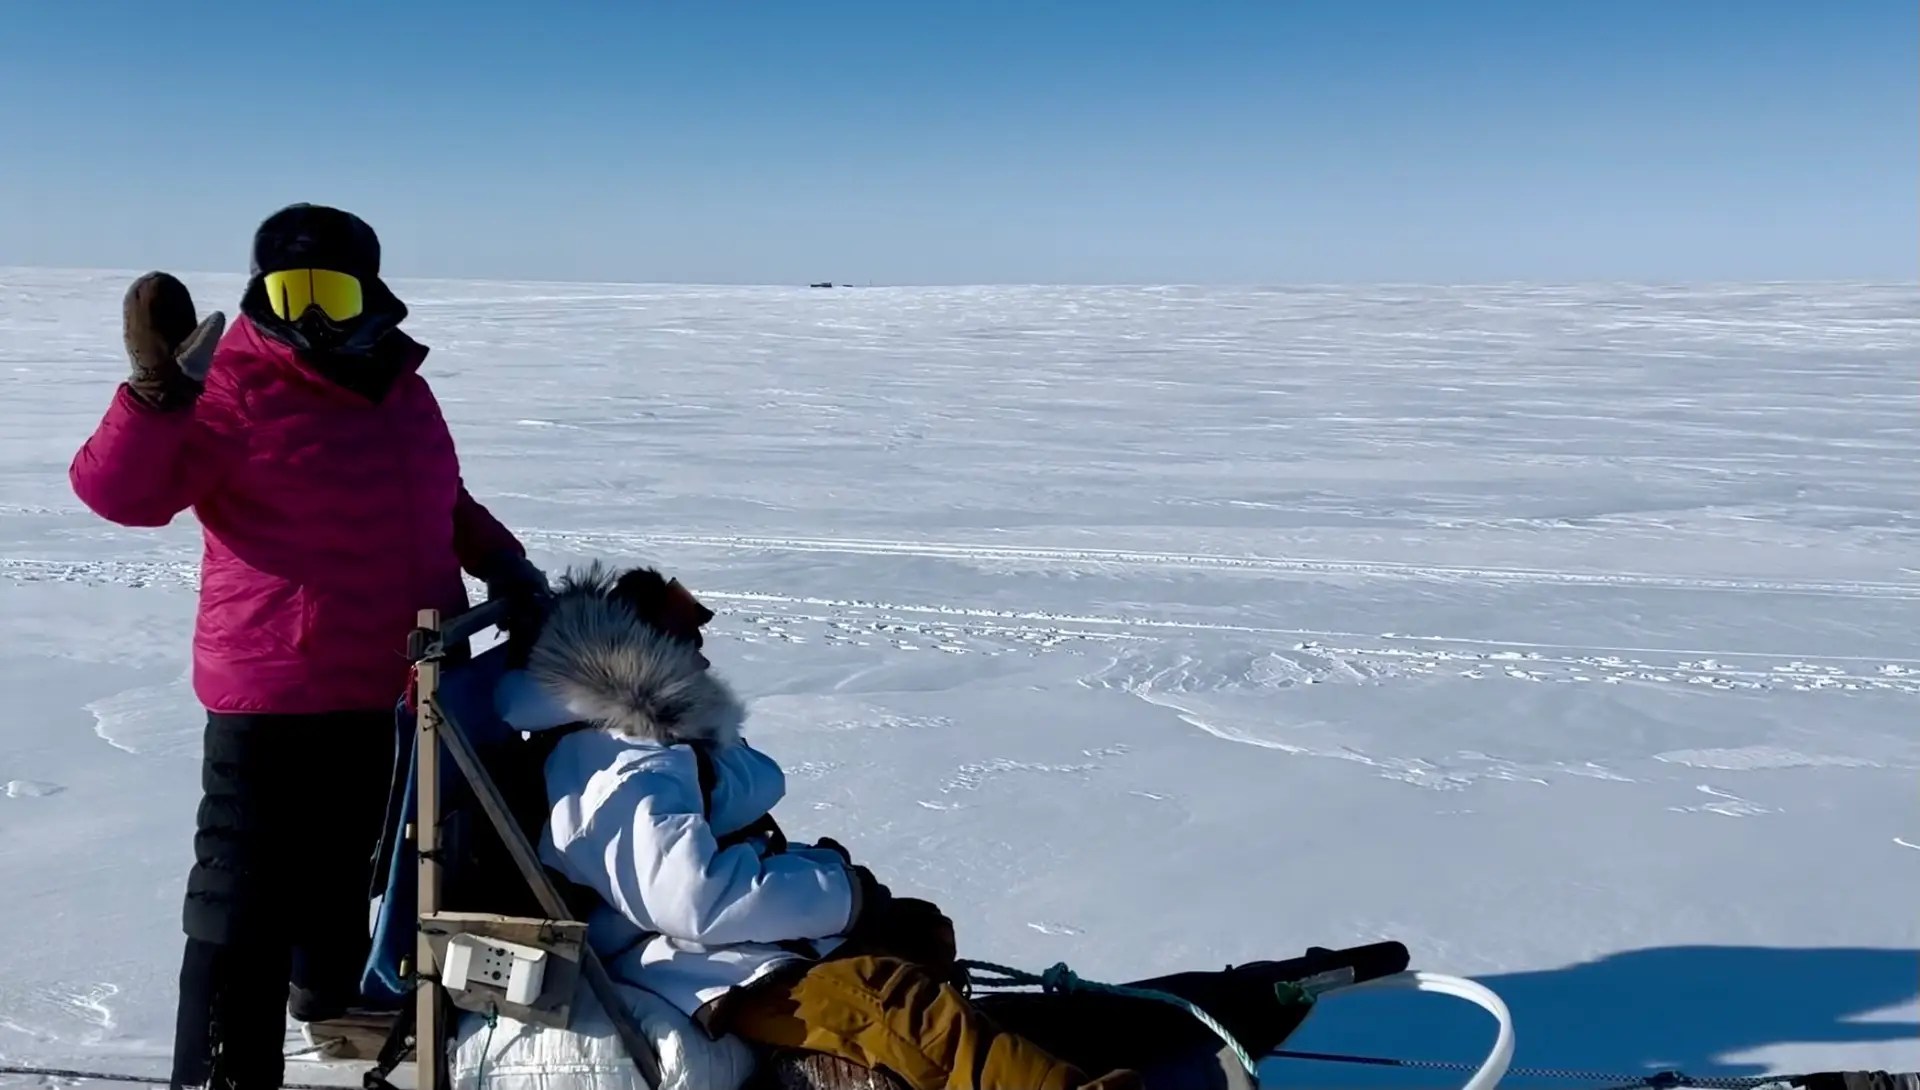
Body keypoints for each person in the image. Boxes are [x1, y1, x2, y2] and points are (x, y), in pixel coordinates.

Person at [68, 203, 549, 1090]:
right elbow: (121, 496)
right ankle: (222, 1068)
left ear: (373, 293)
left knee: (352, 861)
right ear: (264, 291)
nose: (315, 315)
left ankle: (328, 997)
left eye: (334, 292)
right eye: (294, 293)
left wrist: (503, 561)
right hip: (278, 682)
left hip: (402, 680)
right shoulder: (231, 384)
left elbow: (440, 496)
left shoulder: (401, 385)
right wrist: (154, 401)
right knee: (242, 891)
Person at [494, 564, 1305, 1090]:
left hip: (735, 950)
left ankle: (1041, 1051)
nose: (703, 660)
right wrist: (840, 896)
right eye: (687, 646)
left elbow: (721, 825)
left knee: (919, 936)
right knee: (894, 1002)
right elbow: (689, 897)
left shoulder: (655, 747)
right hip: (681, 969)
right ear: (633, 661)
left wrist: (845, 896)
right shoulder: (612, 762)